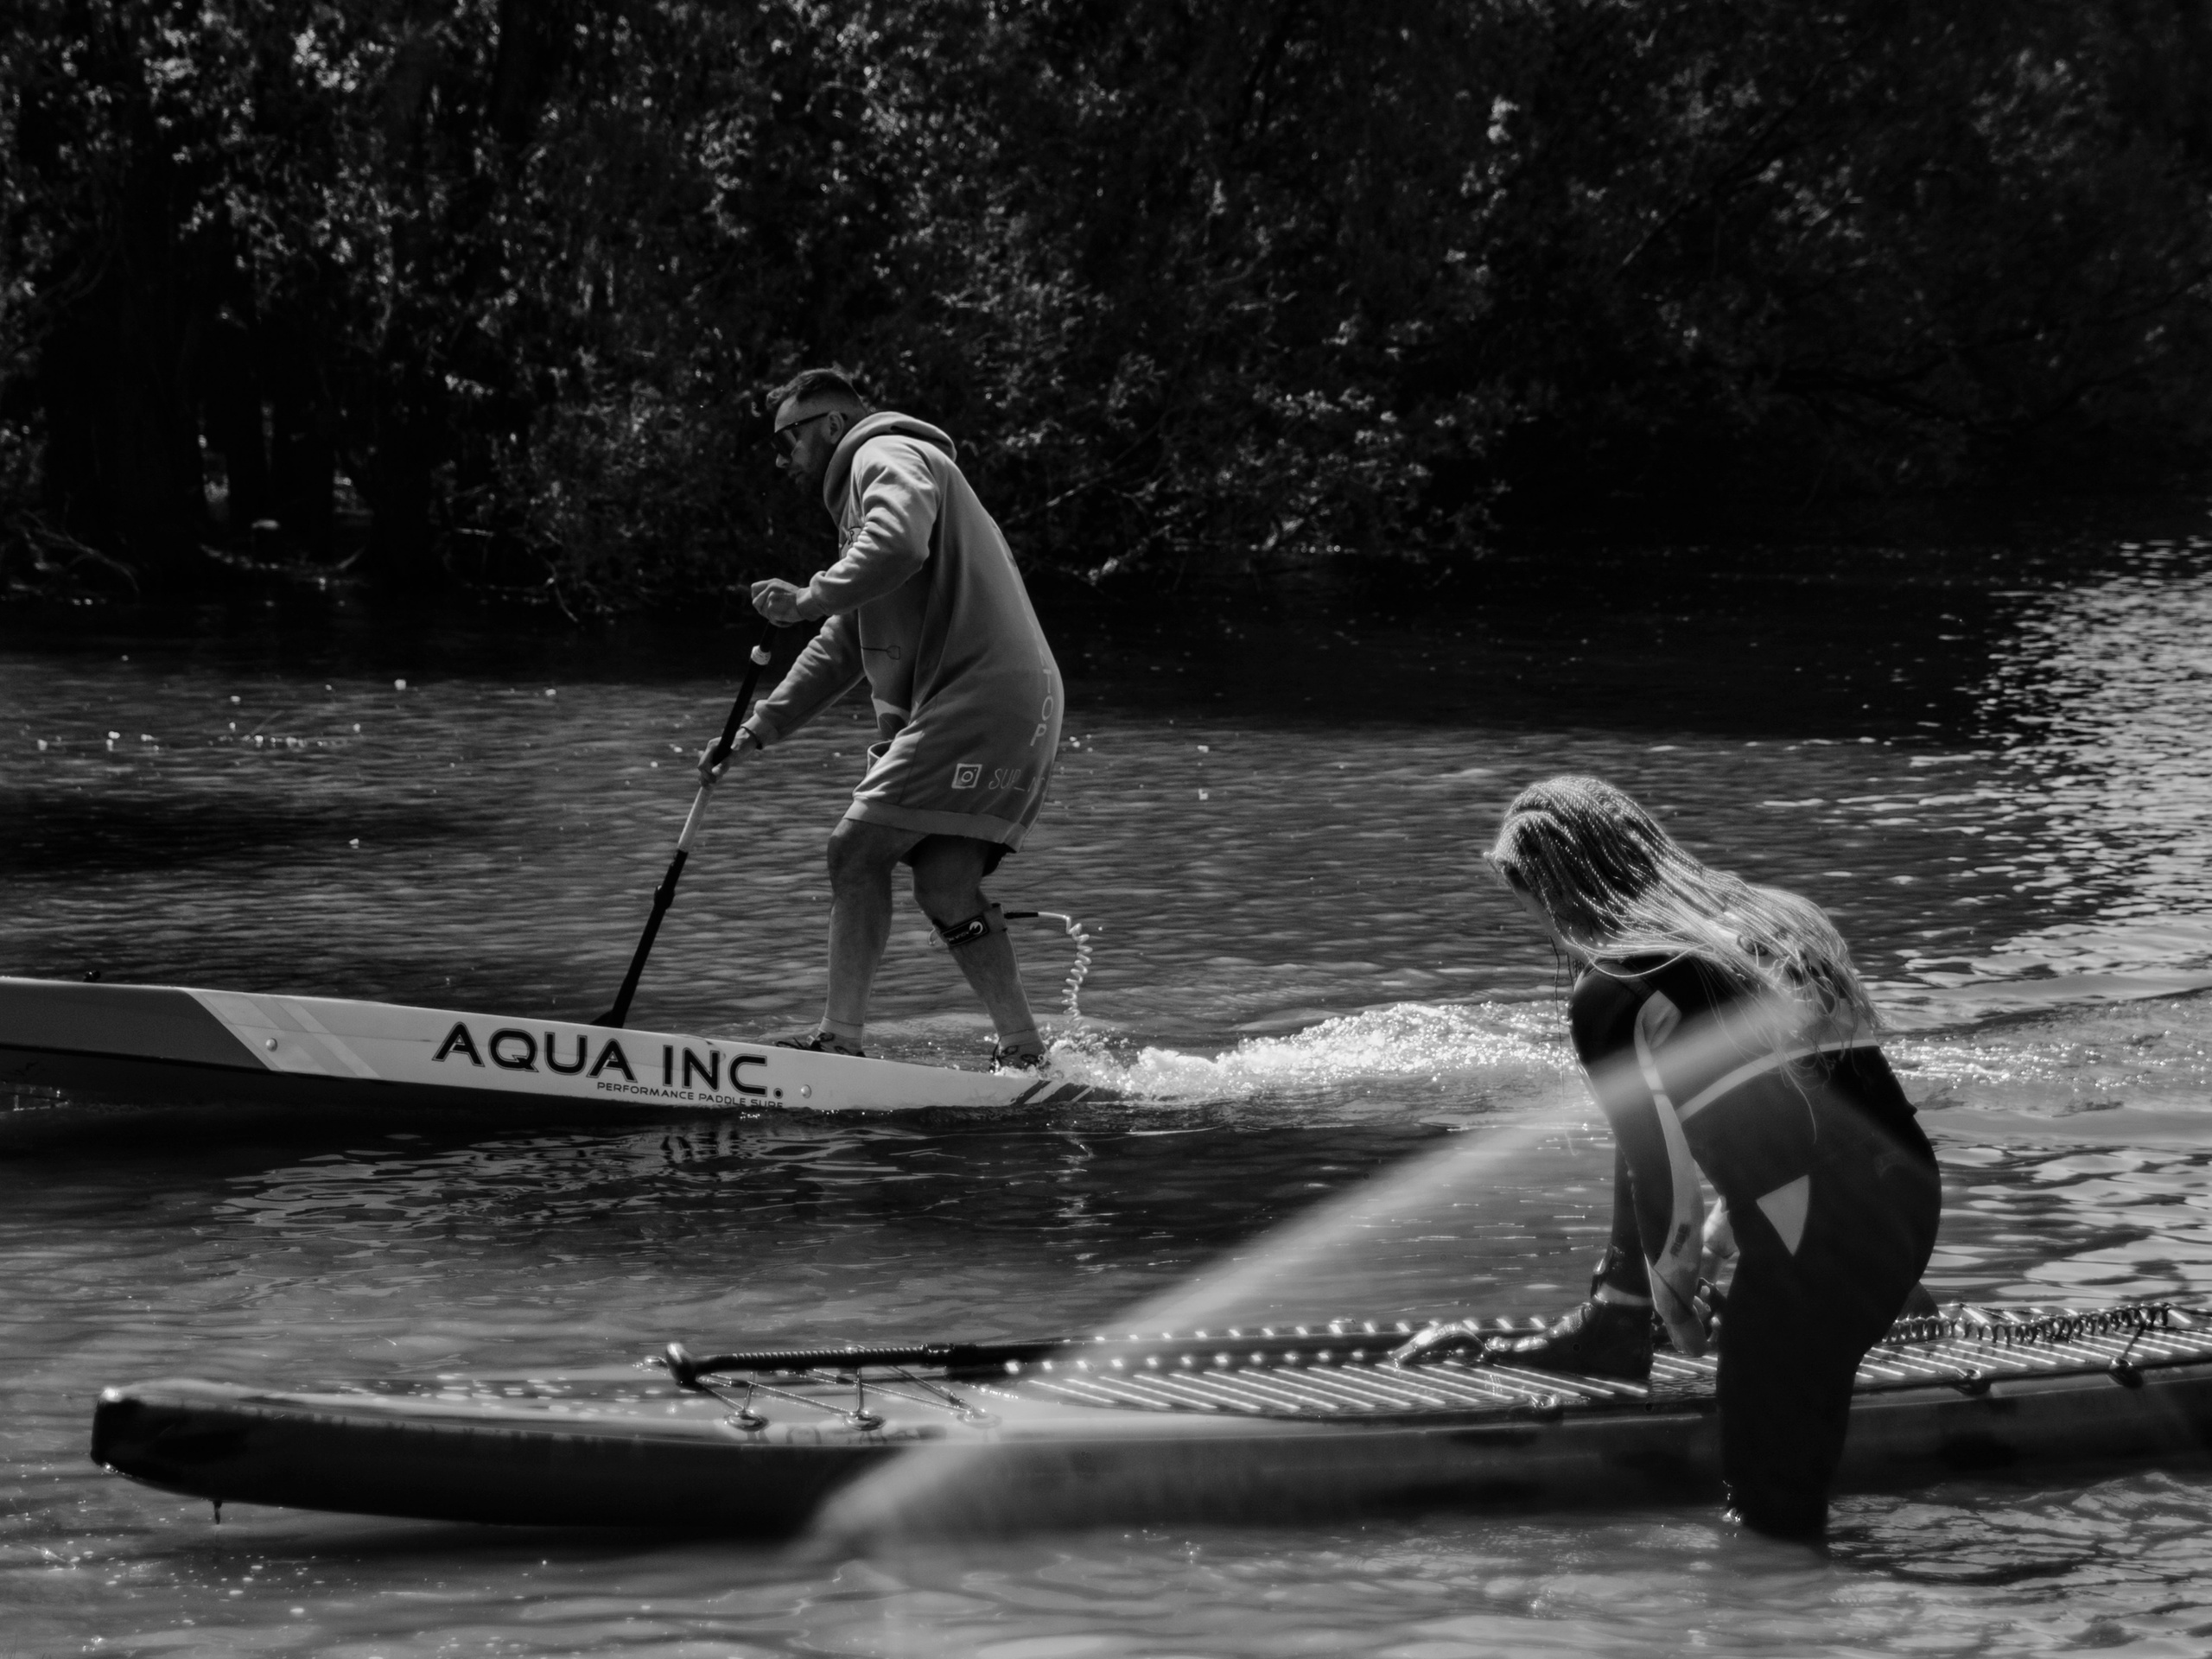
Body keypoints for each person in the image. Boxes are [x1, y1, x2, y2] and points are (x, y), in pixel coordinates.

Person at [1395, 776, 1942, 1541]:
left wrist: (1675, 1301)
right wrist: (1729, 1243)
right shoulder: (1781, 922)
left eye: (1537, 908)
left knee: (1765, 1508)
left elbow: (1664, 1178)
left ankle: (1779, 1622)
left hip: (1820, 1239)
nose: (1548, 932)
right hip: (1908, 1202)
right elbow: (1818, 1121)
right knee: (1793, 1446)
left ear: (1561, 893)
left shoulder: (1613, 988)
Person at [702, 367, 1064, 1066]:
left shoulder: (881, 453)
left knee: (854, 851)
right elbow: (846, 638)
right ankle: (1023, 1052)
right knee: (947, 887)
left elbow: (897, 547)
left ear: (831, 426)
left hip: (979, 697)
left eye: (788, 440)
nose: (784, 459)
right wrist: (756, 731)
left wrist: (806, 597)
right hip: (1026, 705)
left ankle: (840, 1042)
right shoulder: (875, 493)